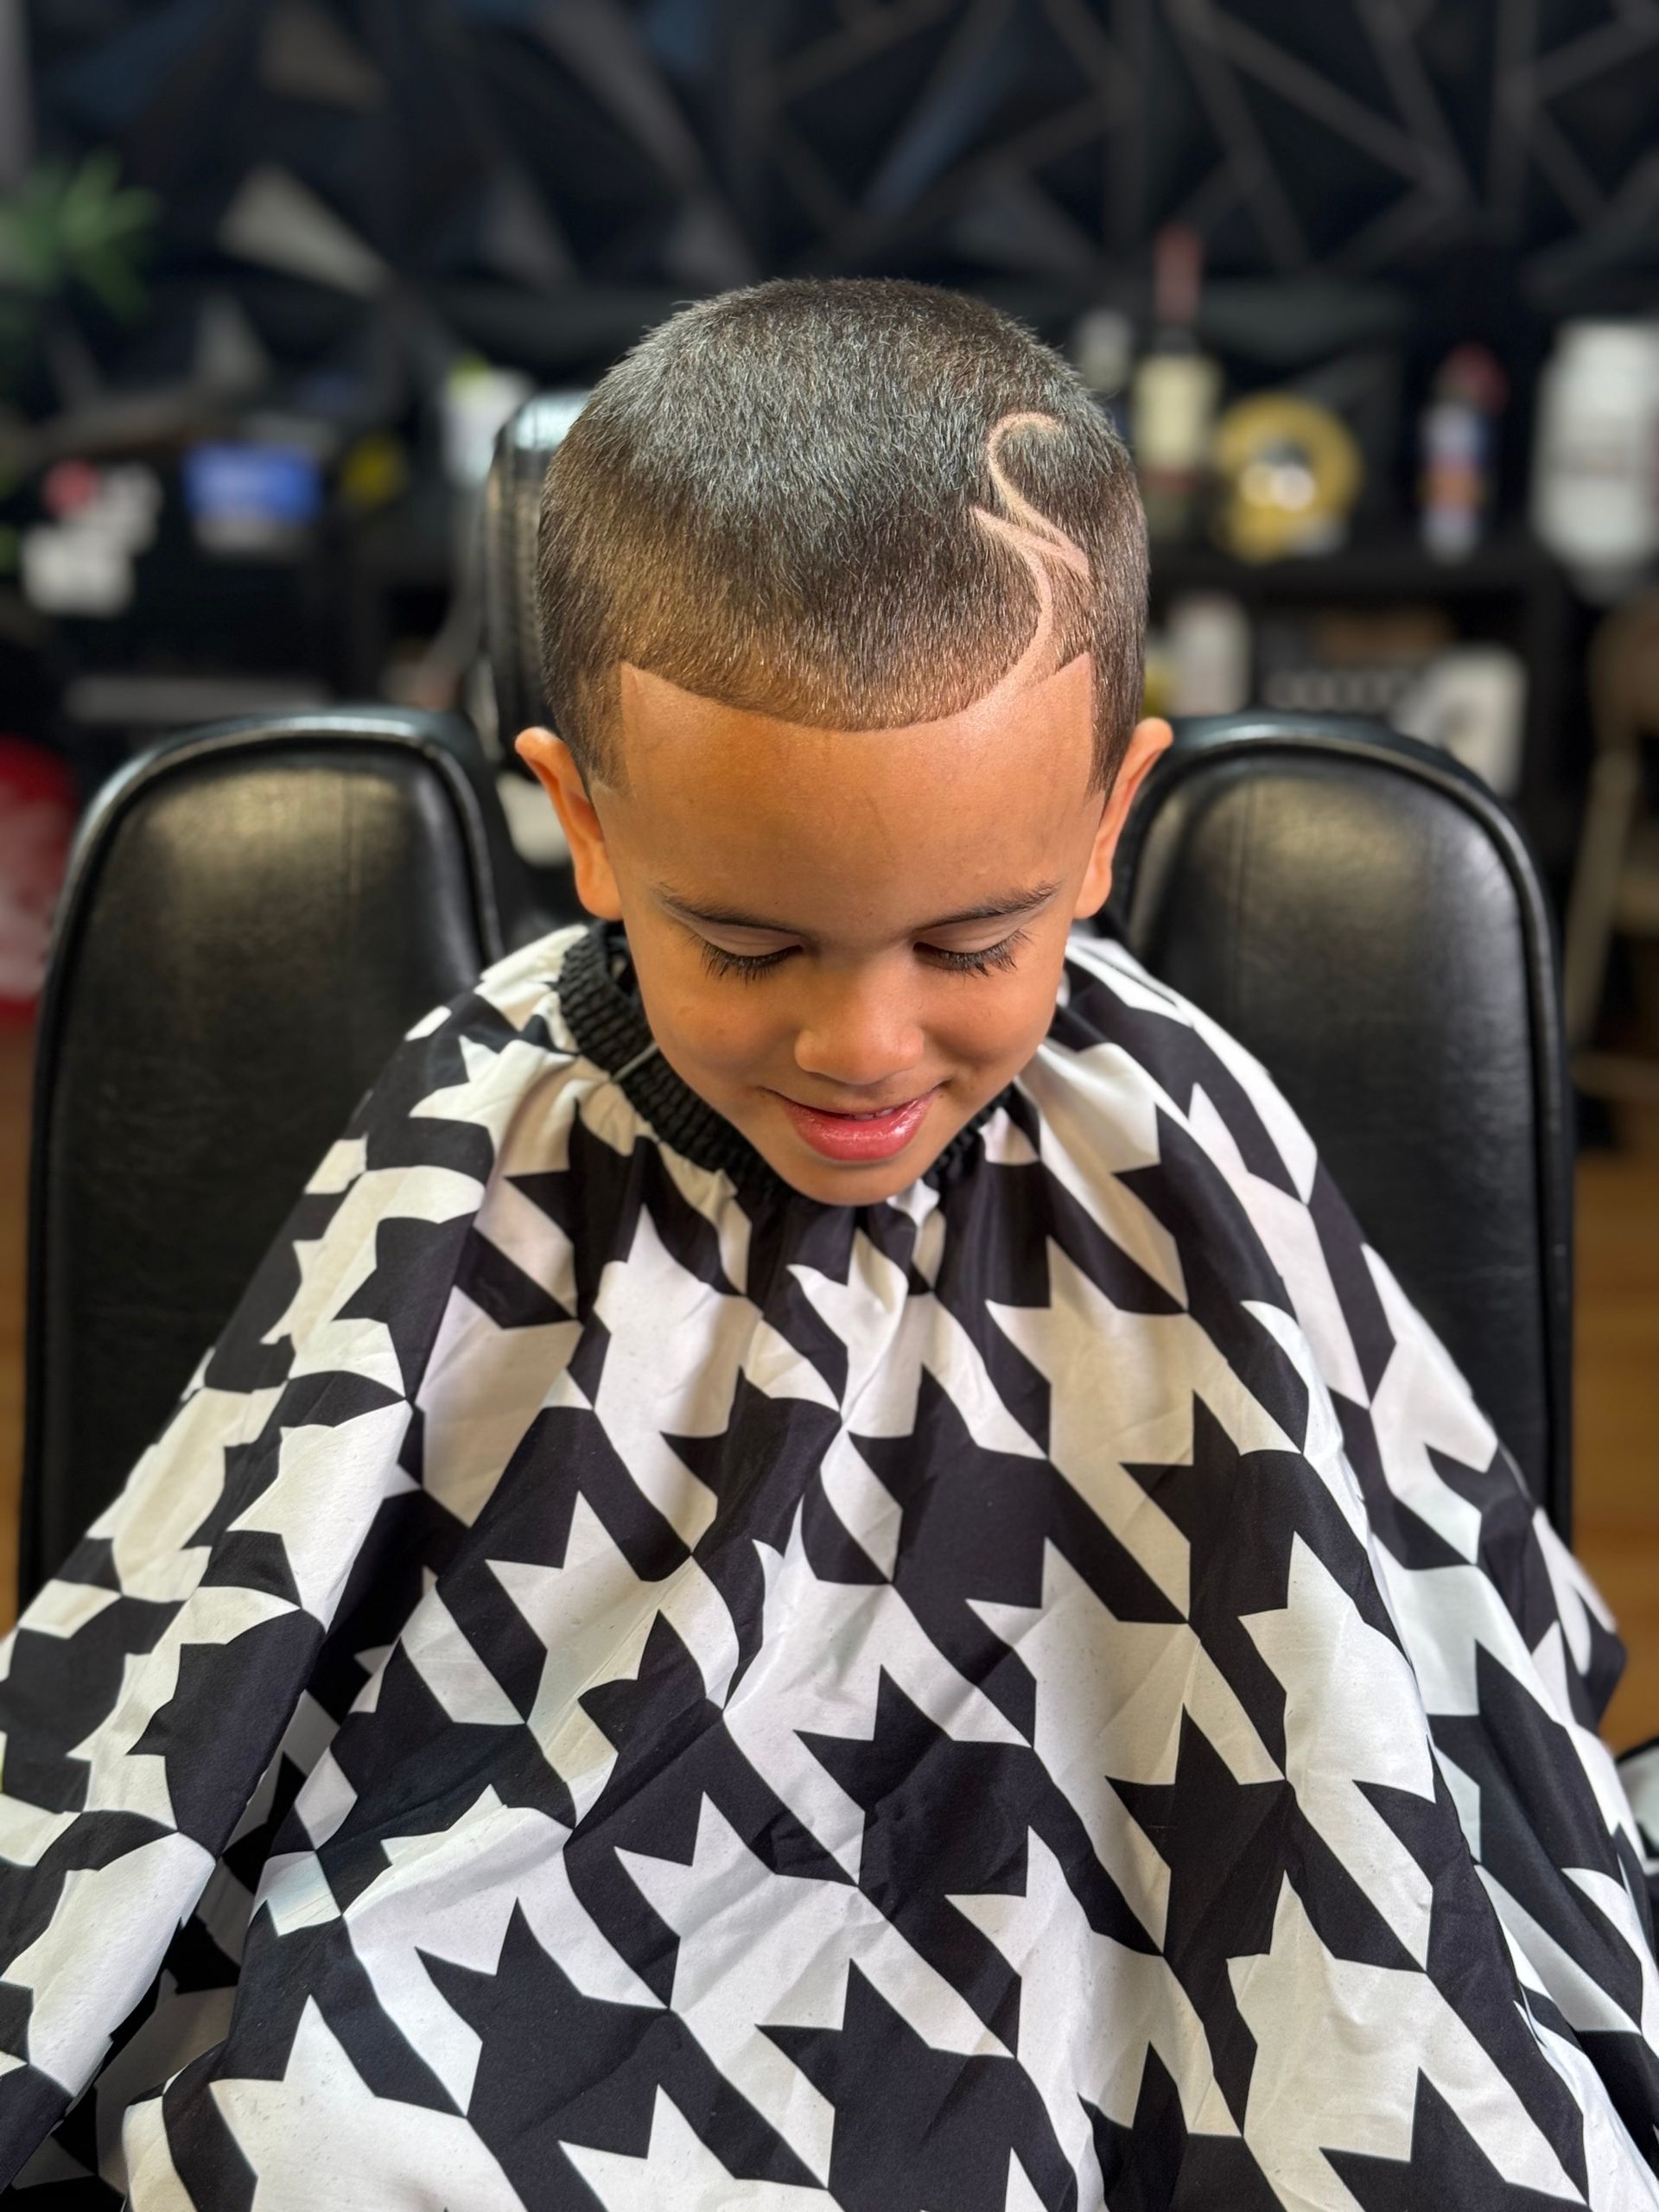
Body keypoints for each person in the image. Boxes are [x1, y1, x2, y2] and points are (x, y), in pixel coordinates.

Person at [0, 279, 1655, 2211]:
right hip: (530, 1908)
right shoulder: (486, 1131)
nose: (865, 1046)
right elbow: (213, 1634)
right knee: (324, 2136)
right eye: (752, 943)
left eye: (972, 944)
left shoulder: (1173, 1128)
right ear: (588, 821)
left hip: (1125, 1927)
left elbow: (1382, 1669)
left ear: (1108, 811)